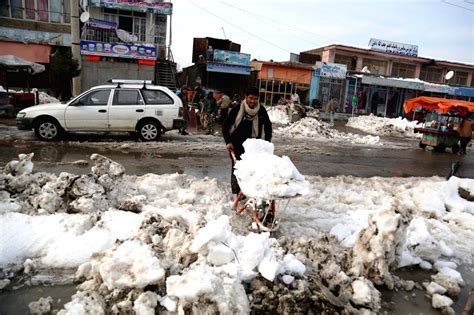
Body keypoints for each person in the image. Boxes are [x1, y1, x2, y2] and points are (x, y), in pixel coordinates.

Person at [222, 86, 272, 194]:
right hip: (236, 145)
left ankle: (249, 192)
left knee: (251, 171)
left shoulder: (261, 110)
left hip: (253, 147)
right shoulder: (237, 109)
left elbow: (268, 127)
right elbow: (225, 126)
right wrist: (228, 142)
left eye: (255, 99)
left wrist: (267, 143)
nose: (253, 101)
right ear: (246, 97)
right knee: (238, 170)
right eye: (251, 98)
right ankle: (237, 193)